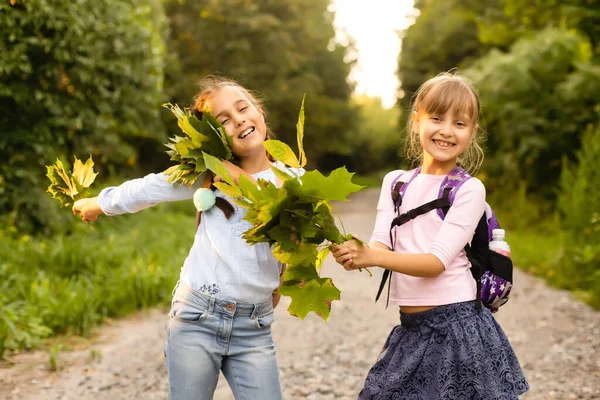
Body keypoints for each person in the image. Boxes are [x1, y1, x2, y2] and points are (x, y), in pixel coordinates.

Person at [72, 75, 291, 400]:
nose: (239, 120)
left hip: (254, 327)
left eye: (243, 108)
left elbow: (293, 228)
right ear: (214, 140)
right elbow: (148, 188)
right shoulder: (205, 174)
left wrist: (241, 179)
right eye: (224, 121)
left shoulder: (292, 178)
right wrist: (98, 203)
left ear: (259, 110)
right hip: (197, 315)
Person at [332, 72, 529, 399]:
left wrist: (372, 256)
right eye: (436, 118)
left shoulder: (468, 189)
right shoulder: (395, 182)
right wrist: (357, 255)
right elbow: (381, 242)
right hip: (411, 327)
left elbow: (436, 262)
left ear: (472, 133)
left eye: (460, 123)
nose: (446, 131)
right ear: (416, 121)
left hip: (457, 326)